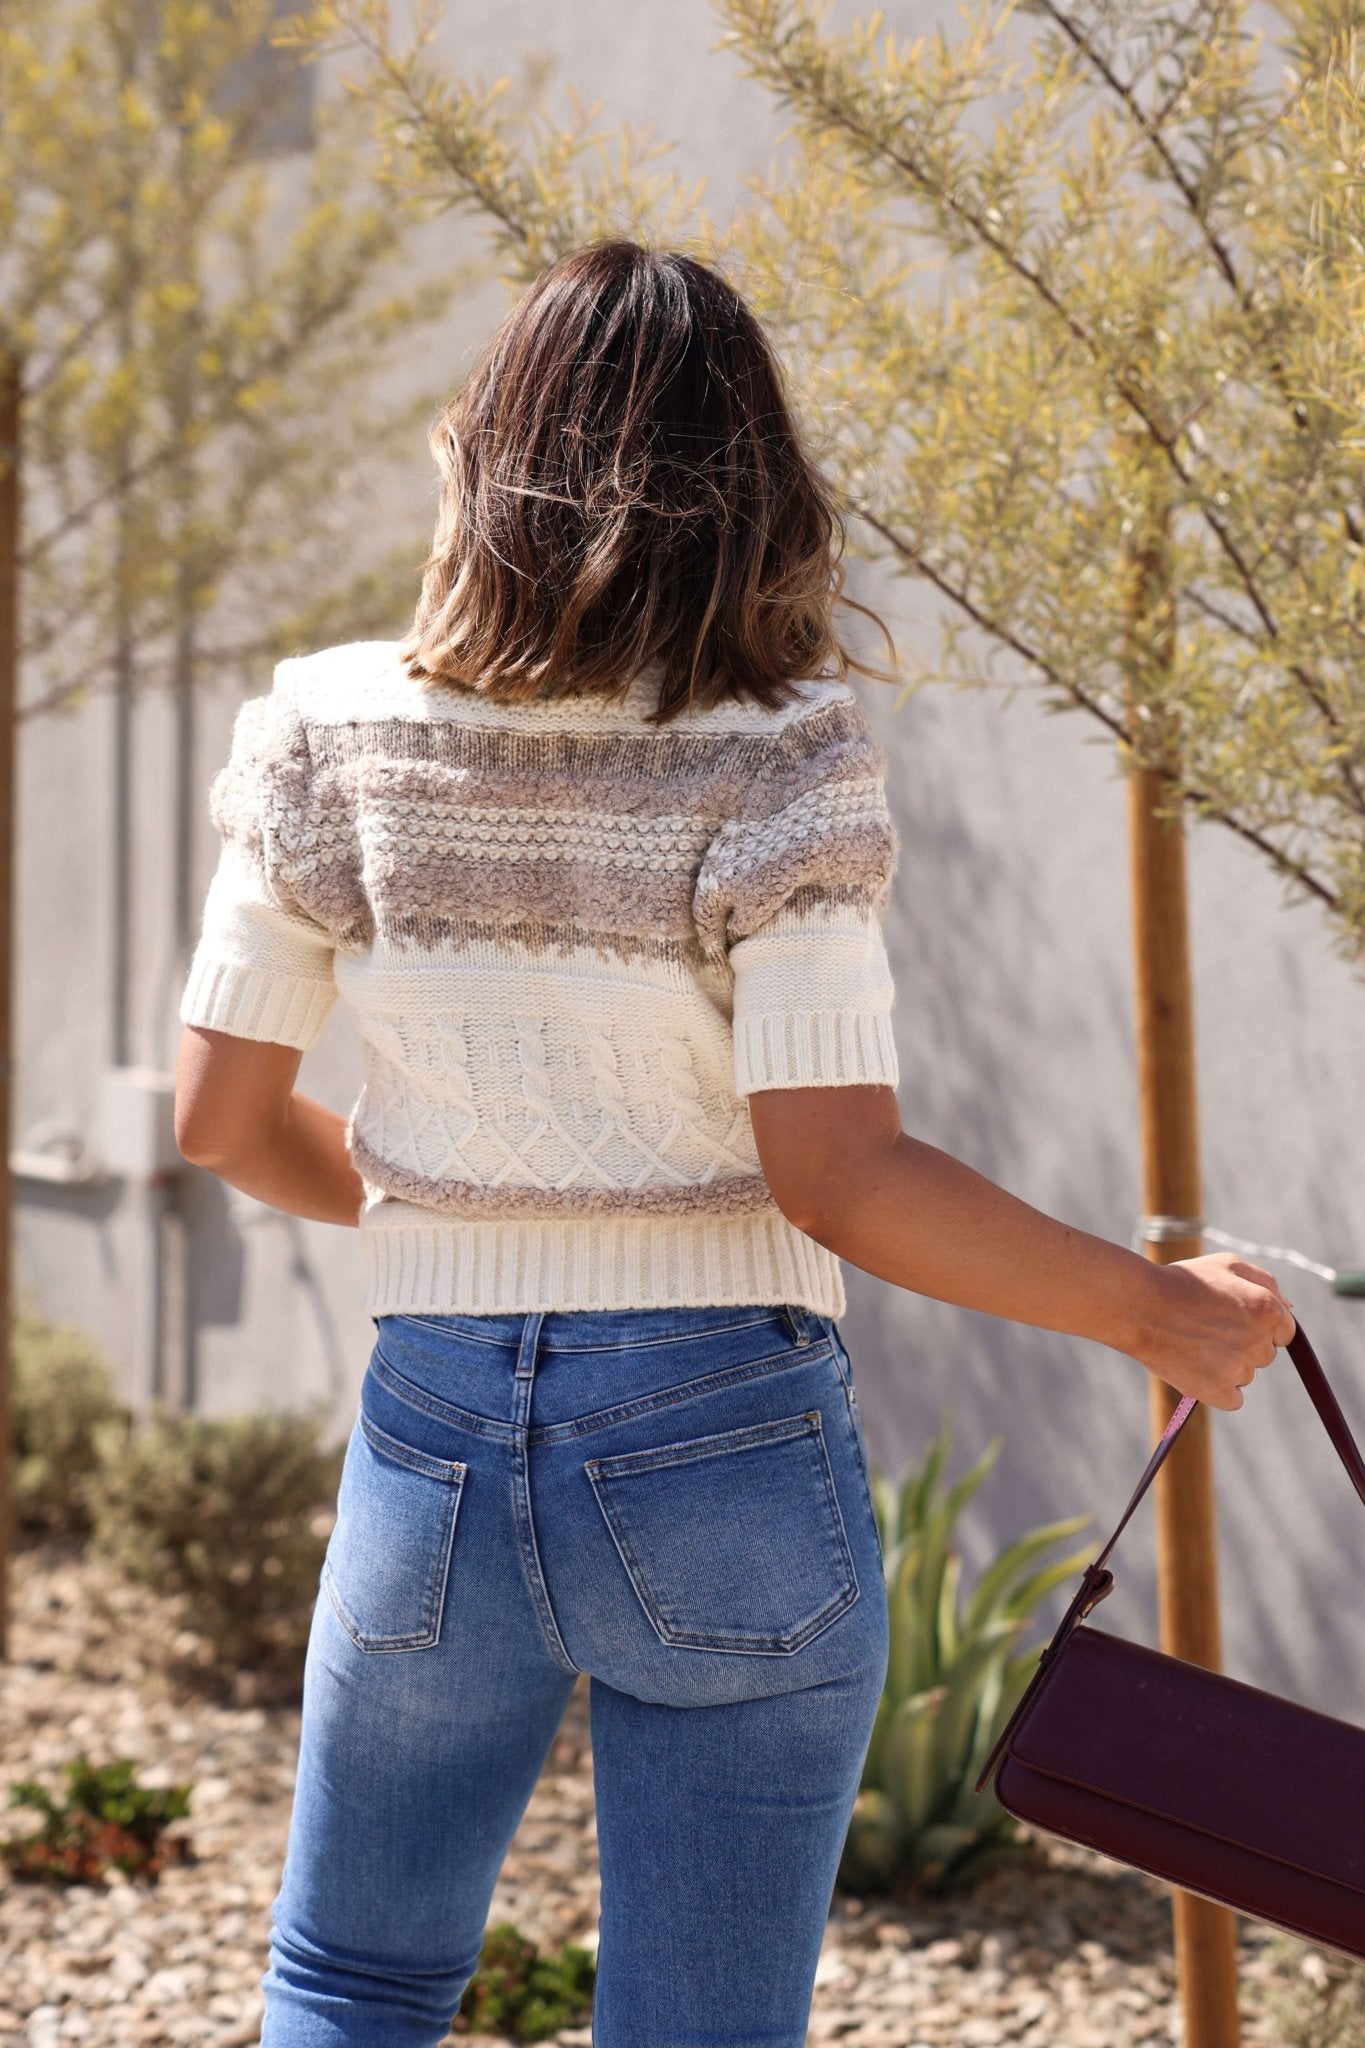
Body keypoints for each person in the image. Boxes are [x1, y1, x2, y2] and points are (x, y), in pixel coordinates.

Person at [174, 238, 1296, 2048]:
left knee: (352, 1982)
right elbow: (835, 1177)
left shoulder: (321, 730)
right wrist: (1150, 1314)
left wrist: (438, 1228)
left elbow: (223, 1124)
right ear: (753, 490)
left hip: (431, 1443)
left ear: (485, 452)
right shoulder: (781, 758)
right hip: (721, 1443)